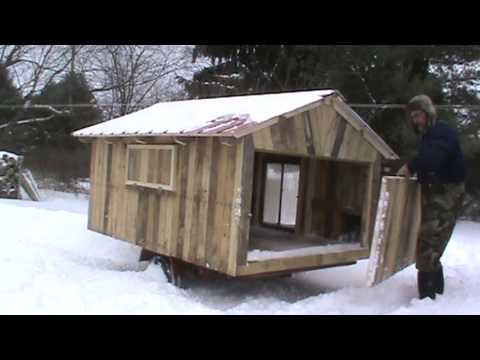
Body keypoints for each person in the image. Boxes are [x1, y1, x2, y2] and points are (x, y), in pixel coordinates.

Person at [397, 94, 466, 300]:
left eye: (418, 115)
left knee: (429, 242)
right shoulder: (430, 135)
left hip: (447, 194)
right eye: (413, 117)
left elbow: (432, 159)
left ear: (428, 113)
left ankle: (428, 298)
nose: (416, 120)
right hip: (437, 192)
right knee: (431, 243)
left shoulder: (441, 133)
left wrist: (411, 166)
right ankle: (434, 294)